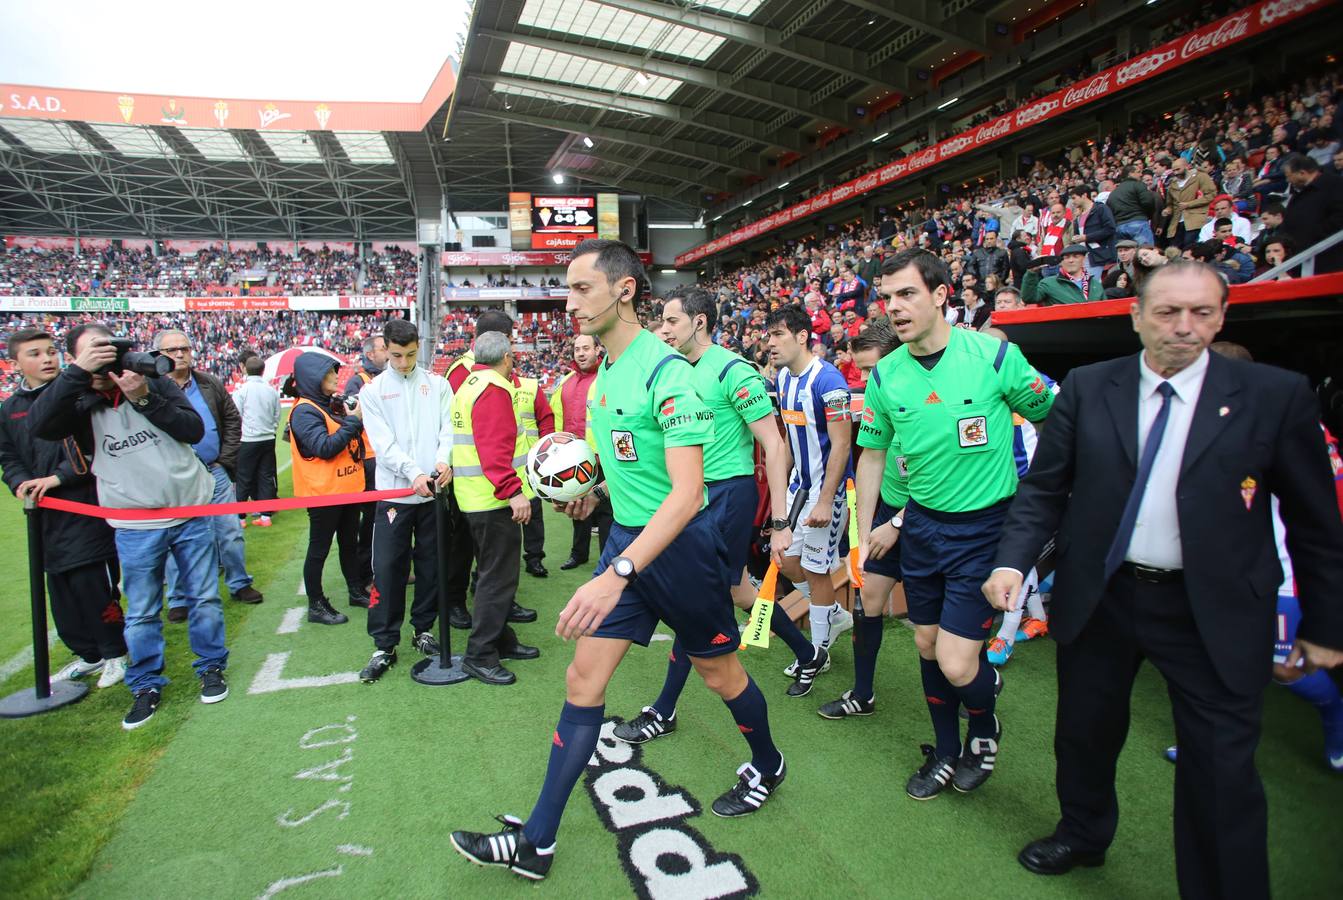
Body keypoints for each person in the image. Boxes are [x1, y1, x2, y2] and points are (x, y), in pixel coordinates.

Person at [982, 261, 1343, 896]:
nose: (1185, 327)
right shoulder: (1090, 388)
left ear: (1222, 316)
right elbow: (1045, 491)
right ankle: (1083, 834)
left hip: (1215, 610)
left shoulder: (1274, 396)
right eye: (1168, 312)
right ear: (1136, 315)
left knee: (1220, 769)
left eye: (1202, 312)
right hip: (1104, 598)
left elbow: (1317, 525)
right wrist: (1013, 560)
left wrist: (1326, 625)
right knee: (1084, 735)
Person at [451, 239, 787, 881]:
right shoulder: (605, 373)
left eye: (581, 288)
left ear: (625, 290)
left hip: (677, 553)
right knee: (583, 682)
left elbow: (687, 495)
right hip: (627, 541)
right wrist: (593, 493)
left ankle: (768, 764)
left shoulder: (670, 375)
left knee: (720, 675)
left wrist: (618, 573)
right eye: (568, 289)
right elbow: (634, 469)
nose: (569, 301)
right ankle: (537, 842)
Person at [859, 248, 1053, 800]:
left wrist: (1048, 500)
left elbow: (1052, 420)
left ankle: (985, 727)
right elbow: (873, 453)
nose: (894, 307)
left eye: (907, 294)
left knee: (956, 658)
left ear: (942, 295)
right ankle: (945, 751)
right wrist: (870, 525)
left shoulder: (991, 356)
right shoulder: (886, 375)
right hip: (921, 526)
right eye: (887, 296)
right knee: (924, 642)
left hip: (986, 530)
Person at [614, 284, 802, 740]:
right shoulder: (671, 370)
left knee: (697, 599)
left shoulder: (733, 370)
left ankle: (664, 710)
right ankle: (809, 652)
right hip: (691, 497)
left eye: (672, 321)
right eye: (660, 321)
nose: (663, 329)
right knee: (736, 591)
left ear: (700, 322)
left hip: (727, 498)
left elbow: (775, 446)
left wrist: (779, 522)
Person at [30, 323, 228, 730]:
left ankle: (210, 666)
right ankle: (145, 683)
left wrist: (143, 398)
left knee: (204, 598)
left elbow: (193, 431)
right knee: (140, 611)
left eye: (108, 349)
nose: (105, 359)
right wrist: (77, 376)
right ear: (77, 359)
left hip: (188, 510)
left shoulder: (154, 382)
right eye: (93, 353)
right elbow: (42, 426)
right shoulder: (78, 399)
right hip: (134, 520)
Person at [0, 328, 127, 689]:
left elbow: (93, 449)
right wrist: (20, 483)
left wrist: (56, 479)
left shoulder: (77, 396)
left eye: (51, 351)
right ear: (15, 364)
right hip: (43, 514)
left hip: (85, 508)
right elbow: (8, 456)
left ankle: (115, 652)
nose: (47, 359)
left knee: (93, 585)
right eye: (36, 354)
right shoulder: (9, 409)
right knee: (61, 590)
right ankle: (89, 655)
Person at [356, 319, 454, 682]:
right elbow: (383, 444)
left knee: (431, 565)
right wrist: (414, 473)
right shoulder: (373, 391)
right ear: (385, 349)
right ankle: (384, 643)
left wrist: (444, 462)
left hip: (433, 495)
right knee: (388, 567)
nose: (402, 362)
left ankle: (423, 629)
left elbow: (448, 429)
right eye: (396, 355)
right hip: (396, 494)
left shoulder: (438, 385)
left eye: (410, 354)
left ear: (419, 347)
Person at [818, 321, 906, 720]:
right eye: (862, 371)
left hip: (929, 518)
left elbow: (944, 478)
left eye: (872, 370)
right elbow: (872, 460)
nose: (866, 380)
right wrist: (867, 529)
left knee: (935, 635)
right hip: (888, 511)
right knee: (867, 602)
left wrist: (898, 523)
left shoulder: (920, 399)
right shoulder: (877, 402)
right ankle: (863, 693)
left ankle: (975, 684)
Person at [766, 303, 854, 695]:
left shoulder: (829, 381)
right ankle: (833, 614)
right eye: (769, 335)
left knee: (817, 571)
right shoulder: (784, 378)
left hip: (824, 493)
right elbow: (786, 440)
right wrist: (780, 490)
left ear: (803, 336)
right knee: (787, 561)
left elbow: (841, 445)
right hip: (798, 490)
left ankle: (817, 652)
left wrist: (826, 500)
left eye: (778, 334)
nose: (770, 343)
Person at [449, 331, 542, 685]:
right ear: (507, 357)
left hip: (476, 497)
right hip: (491, 500)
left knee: (494, 574)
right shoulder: (494, 389)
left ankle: (500, 641)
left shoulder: (470, 384)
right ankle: (481, 654)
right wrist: (513, 491)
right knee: (497, 579)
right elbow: (494, 449)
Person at [152, 329, 263, 624]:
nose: (179, 354)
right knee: (175, 537)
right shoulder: (150, 389)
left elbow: (231, 419)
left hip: (214, 472)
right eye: (171, 350)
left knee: (229, 531)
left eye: (184, 348)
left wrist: (225, 462)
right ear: (158, 356)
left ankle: (239, 583)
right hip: (172, 480)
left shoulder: (208, 383)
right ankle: (178, 598)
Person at [288, 352, 369, 626]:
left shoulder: (325, 404)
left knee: (349, 543)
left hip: (344, 487)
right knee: (319, 548)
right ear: (313, 378)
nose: (337, 376)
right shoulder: (303, 410)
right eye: (329, 373)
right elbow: (323, 448)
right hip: (324, 492)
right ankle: (316, 604)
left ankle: (356, 590)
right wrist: (353, 422)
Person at [551, 334, 612, 570]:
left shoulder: (608, 378)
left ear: (598, 349)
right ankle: (578, 554)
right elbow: (557, 418)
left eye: (586, 348)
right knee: (578, 508)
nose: (581, 353)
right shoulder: (566, 382)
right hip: (574, 460)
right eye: (577, 349)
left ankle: (607, 559)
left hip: (603, 458)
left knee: (606, 512)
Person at [344, 334, 387, 595]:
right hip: (369, 459)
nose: (387, 353)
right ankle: (367, 574)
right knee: (371, 520)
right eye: (384, 349)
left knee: (387, 517)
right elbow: (352, 419)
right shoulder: (358, 382)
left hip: (384, 458)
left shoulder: (384, 378)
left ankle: (388, 568)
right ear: (371, 354)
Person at [231, 354, 280, 528]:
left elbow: (236, 415)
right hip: (267, 438)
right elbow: (277, 415)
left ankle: (240, 518)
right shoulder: (271, 391)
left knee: (244, 477)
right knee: (266, 476)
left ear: (245, 369)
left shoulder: (242, 391)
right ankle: (266, 516)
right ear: (263, 370)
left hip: (249, 439)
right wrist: (271, 429)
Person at [1280, 152, 1343, 273]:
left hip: (1326, 255)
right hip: (1301, 254)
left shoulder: (1334, 185)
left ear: (1302, 173)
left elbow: (1338, 217)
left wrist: (1312, 234)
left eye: (1289, 176)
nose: (1288, 180)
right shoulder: (1301, 192)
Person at [1020, 245, 1104, 305]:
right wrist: (1031, 273)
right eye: (1066, 257)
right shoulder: (1048, 283)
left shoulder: (1095, 285)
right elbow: (1029, 298)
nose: (1071, 260)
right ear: (1061, 262)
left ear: (1084, 259)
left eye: (1076, 256)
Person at [1069, 185, 1116, 279]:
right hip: (1085, 258)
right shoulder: (1078, 216)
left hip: (1100, 256)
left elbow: (1110, 229)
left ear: (1084, 195)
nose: (1073, 202)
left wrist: (1086, 237)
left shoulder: (1100, 209)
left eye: (1074, 198)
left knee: (1094, 287)